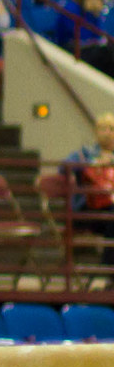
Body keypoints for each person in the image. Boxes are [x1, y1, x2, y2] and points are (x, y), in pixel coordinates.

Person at [61, 112, 114, 281]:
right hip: (88, 209)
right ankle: (108, 273)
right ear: (96, 132)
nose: (107, 132)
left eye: (111, 129)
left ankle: (108, 273)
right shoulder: (85, 153)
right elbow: (63, 169)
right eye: (103, 128)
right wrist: (92, 164)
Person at [55, 0, 114, 78]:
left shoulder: (93, 14)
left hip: (88, 49)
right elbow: (72, 35)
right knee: (106, 53)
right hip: (71, 47)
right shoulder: (71, 8)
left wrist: (92, 14)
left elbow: (97, 36)